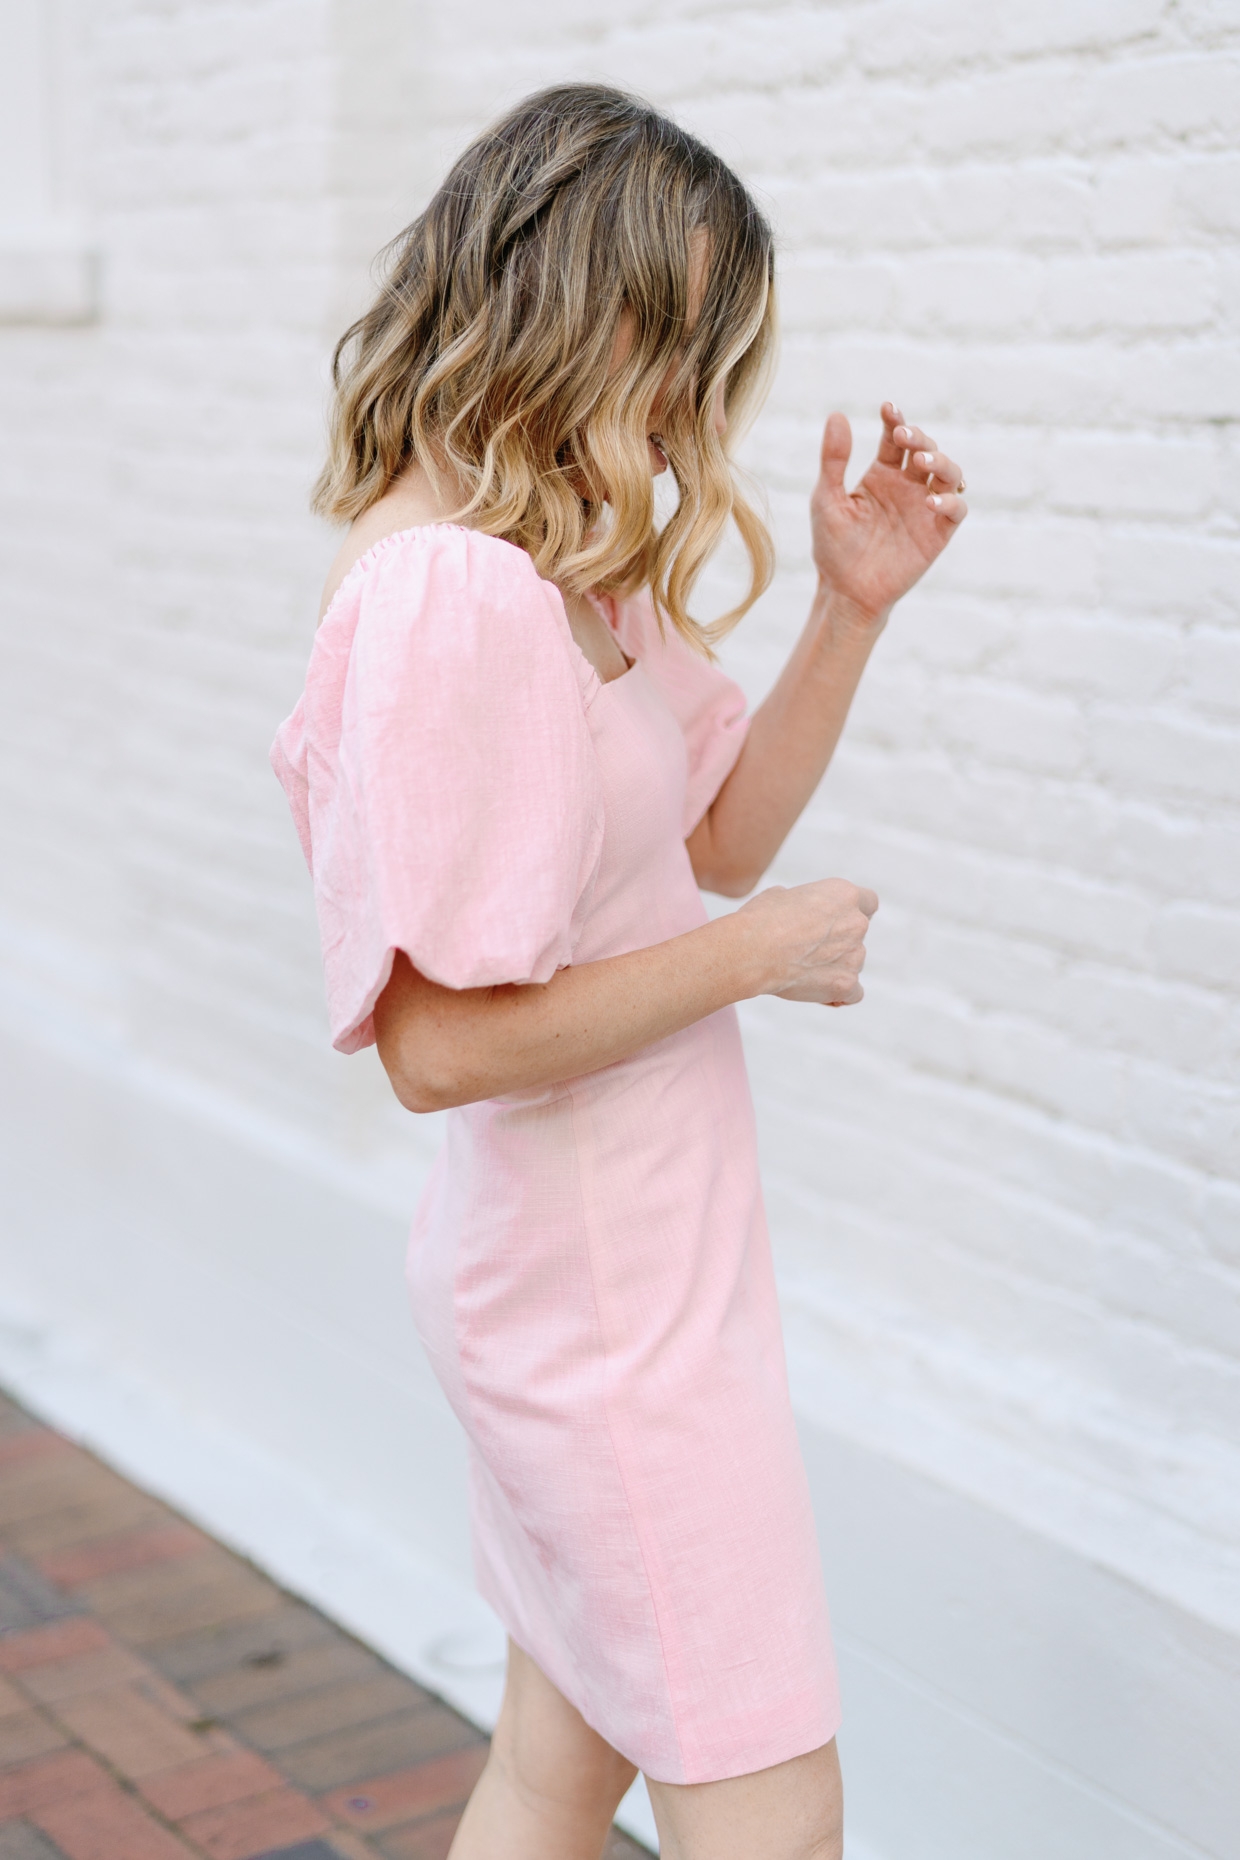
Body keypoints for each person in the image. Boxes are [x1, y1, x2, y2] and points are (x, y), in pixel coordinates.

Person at [272, 82, 966, 1860]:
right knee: (775, 1813)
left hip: (636, 1265)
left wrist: (852, 607)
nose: (691, 408)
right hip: (597, 1311)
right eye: (682, 344)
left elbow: (712, 836)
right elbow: (434, 1046)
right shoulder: (452, 596)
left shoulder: (556, 561)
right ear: (585, 303)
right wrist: (754, 960)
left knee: (558, 1767)